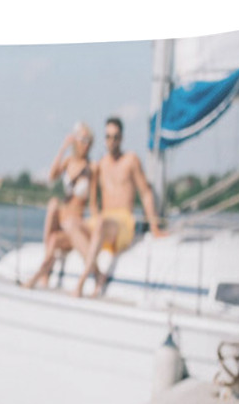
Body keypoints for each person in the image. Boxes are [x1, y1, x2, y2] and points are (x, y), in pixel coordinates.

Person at [73, 117, 167, 298]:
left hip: (123, 223)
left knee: (100, 223)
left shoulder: (130, 160)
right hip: (104, 222)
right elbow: (93, 201)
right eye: (108, 137)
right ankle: (98, 273)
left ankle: (82, 281)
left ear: (122, 138)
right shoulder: (100, 165)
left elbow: (146, 193)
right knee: (71, 224)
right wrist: (94, 216)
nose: (112, 141)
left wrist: (154, 226)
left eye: (115, 137)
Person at [24, 123, 98, 289]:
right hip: (61, 217)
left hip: (74, 222)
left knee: (54, 238)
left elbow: (92, 202)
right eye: (82, 139)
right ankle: (44, 271)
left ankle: (40, 275)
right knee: (53, 204)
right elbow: (51, 176)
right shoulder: (69, 162)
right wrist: (64, 147)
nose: (85, 144)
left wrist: (95, 224)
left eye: (89, 140)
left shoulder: (91, 168)